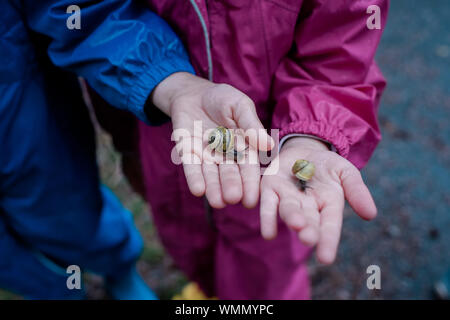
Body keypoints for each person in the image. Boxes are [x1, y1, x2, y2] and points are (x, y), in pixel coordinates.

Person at [94, 0, 389, 299]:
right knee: (190, 248)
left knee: (262, 275)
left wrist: (309, 136)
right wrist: (167, 84)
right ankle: (212, 290)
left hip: (267, 169)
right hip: (168, 145)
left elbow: (340, 48)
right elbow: (93, 14)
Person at [0, 0, 194, 299]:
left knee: (73, 216)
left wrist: (166, 79)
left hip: (30, 131)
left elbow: (80, 11)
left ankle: (118, 270)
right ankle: (60, 290)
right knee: (14, 262)